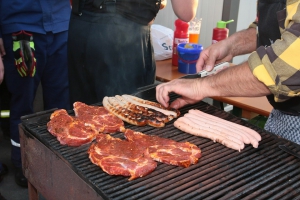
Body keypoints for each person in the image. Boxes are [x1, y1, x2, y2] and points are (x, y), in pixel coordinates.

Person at [156, 0, 300, 145]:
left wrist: (199, 86)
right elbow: (266, 28)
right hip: (281, 112)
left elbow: (283, 68)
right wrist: (231, 45)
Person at [68, 0, 198, 105]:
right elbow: (186, 11)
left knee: (83, 116)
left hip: (80, 29)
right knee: (125, 120)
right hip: (122, 39)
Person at [0, 0, 71, 187]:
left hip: (61, 26)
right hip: (21, 30)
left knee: (60, 104)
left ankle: (57, 159)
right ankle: (23, 163)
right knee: (23, 104)